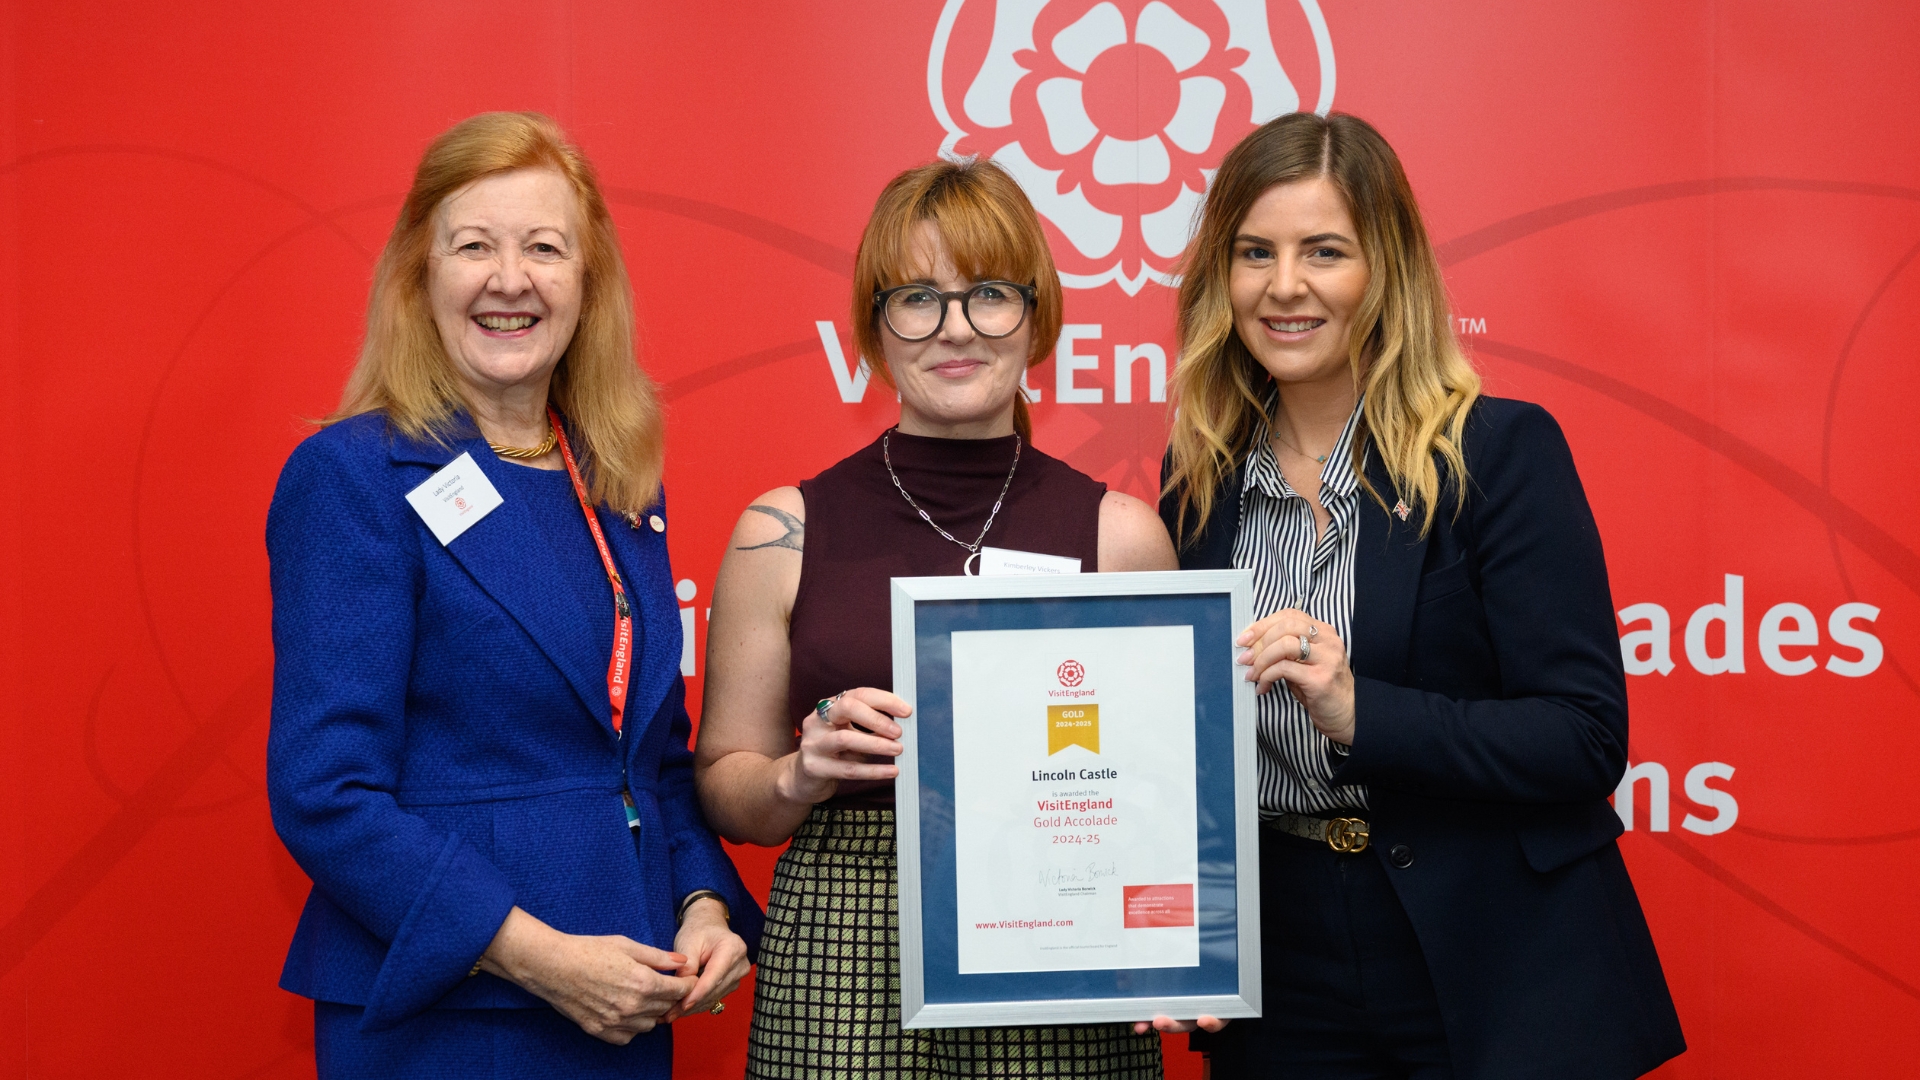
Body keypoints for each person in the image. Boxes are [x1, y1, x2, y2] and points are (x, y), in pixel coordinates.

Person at [1156, 112, 1686, 1079]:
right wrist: (1169, 937)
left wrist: (1362, 711)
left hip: (1495, 952)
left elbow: (1582, 738)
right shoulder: (1197, 486)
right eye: (1253, 253)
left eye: (1324, 251)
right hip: (1284, 966)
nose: (1284, 287)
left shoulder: (1498, 454)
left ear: (1386, 268)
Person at [265, 112, 760, 1079]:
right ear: (421, 273)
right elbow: (326, 793)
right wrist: (541, 958)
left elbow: (650, 756)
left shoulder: (619, 486)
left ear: (587, 282)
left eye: (544, 248)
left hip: (623, 994)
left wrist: (702, 903)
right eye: (474, 246)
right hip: (451, 1007)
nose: (509, 279)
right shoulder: (353, 476)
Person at [693, 157, 1179, 1078]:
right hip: (844, 943)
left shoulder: (1123, 536)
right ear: (875, 328)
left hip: (1063, 947)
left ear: (1036, 317)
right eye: (917, 298)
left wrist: (1177, 944)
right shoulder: (783, 529)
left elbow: (1162, 802)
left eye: (989, 293)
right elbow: (726, 785)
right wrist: (798, 774)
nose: (955, 328)